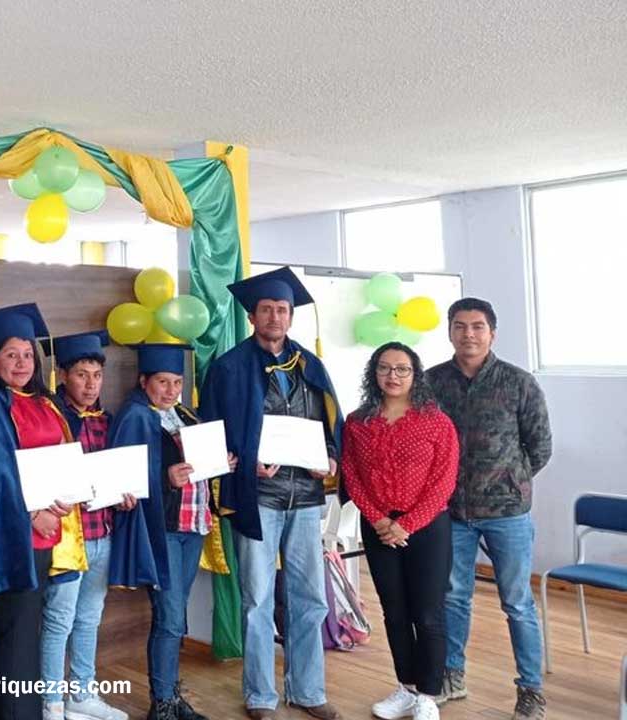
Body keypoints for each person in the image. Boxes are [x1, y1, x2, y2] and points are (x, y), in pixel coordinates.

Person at [200, 266, 344, 720]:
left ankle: (307, 689)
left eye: (283, 310)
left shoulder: (309, 365)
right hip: (257, 497)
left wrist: (332, 457)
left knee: (310, 597)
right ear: (252, 316)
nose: (276, 317)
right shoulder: (228, 368)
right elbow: (212, 434)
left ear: (290, 316)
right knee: (258, 598)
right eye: (267, 310)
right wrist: (241, 459)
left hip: (304, 495)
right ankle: (261, 695)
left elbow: (330, 423)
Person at [0, 303, 85, 720]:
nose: (22, 362)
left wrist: (67, 499)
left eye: (27, 354)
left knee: (25, 634)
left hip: (47, 533)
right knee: (15, 634)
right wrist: (31, 515)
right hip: (13, 537)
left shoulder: (42, 402)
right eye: (11, 354)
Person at [426, 297, 552, 720]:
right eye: (460, 326)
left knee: (517, 603)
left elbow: (540, 446)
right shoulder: (432, 383)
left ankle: (531, 690)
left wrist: (510, 479)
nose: (469, 334)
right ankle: (452, 676)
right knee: (453, 597)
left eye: (477, 327)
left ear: (492, 333)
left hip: (507, 514)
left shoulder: (519, 383)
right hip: (452, 513)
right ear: (449, 332)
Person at [108, 343, 233, 720]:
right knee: (169, 617)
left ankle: (172, 696)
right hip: (162, 529)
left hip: (192, 526)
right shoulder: (135, 416)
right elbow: (123, 477)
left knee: (175, 615)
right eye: (162, 381)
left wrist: (220, 463)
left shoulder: (184, 414)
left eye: (177, 381)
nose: (171, 390)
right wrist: (165, 478)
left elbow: (194, 466)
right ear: (144, 380)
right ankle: (161, 702)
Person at [342, 342, 459, 720]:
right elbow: (351, 475)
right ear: (373, 374)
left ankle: (428, 694)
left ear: (415, 375)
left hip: (426, 528)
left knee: (427, 613)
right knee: (394, 612)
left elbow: (443, 482)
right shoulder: (357, 422)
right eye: (384, 368)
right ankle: (406, 687)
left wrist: (405, 523)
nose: (393, 376)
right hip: (377, 527)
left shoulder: (436, 422)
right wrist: (378, 519)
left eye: (402, 369)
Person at [40, 331, 132, 720]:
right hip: (66, 539)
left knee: (90, 618)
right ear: (63, 375)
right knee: (58, 620)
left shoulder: (108, 421)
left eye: (97, 375)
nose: (91, 384)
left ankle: (82, 692)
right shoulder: (50, 419)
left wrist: (127, 493)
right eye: (81, 374)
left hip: (102, 534)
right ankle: (51, 701)